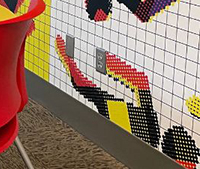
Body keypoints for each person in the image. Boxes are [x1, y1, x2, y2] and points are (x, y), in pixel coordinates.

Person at [55, 35, 199, 167]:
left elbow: (140, 81)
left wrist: (108, 62)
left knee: (92, 92)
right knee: (92, 92)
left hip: (134, 127)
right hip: (138, 128)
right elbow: (140, 82)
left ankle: (79, 71)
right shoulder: (151, 126)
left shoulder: (150, 128)